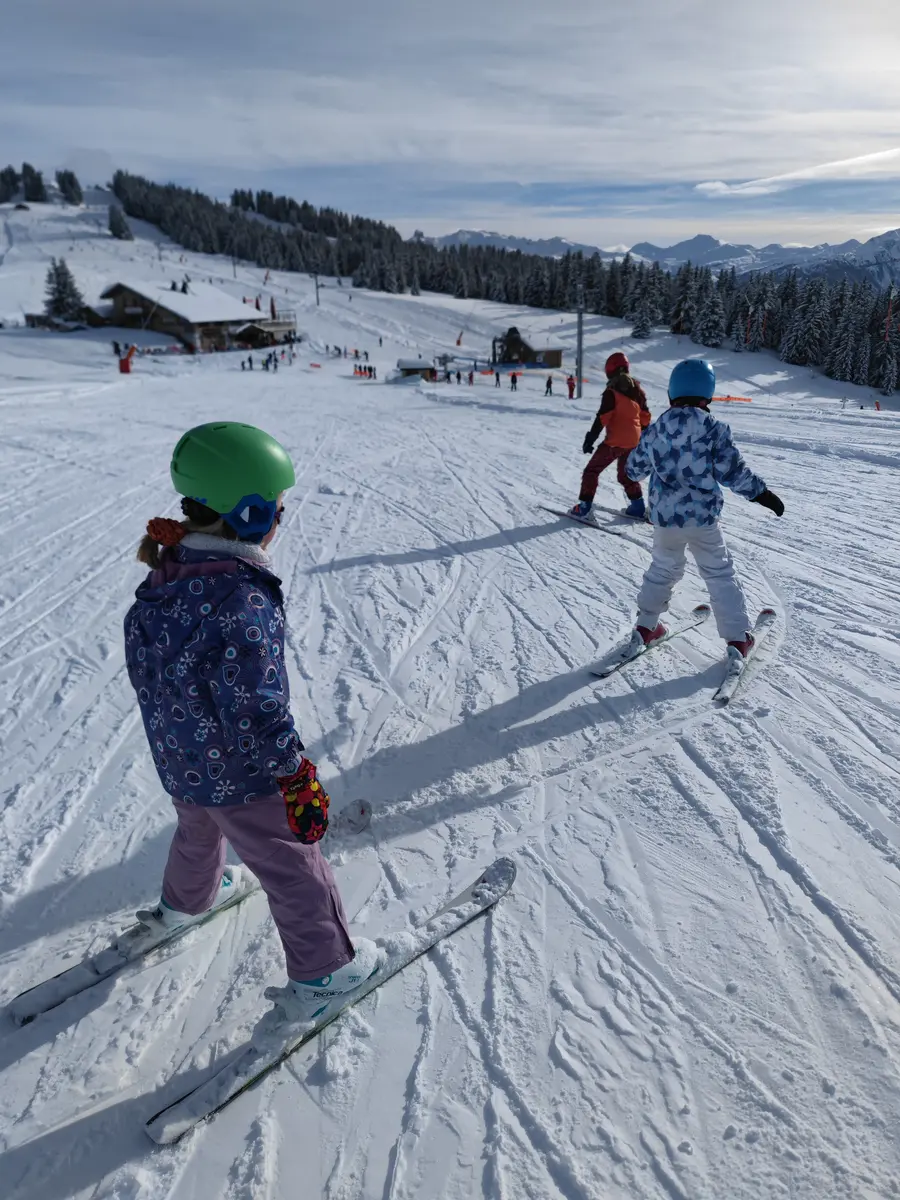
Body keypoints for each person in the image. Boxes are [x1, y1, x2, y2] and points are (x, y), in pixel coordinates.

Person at [124, 423, 380, 1019]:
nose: (279, 519)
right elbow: (257, 707)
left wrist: (180, 740)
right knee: (291, 862)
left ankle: (185, 903)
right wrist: (293, 773)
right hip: (244, 773)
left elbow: (149, 676)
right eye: (278, 510)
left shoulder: (163, 578)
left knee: (197, 828)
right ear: (252, 514)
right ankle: (326, 971)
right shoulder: (241, 598)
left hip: (182, 759)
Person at [625, 359, 784, 656]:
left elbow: (633, 470)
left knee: (662, 569)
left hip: (665, 520)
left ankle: (646, 626)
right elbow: (733, 472)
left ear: (672, 392)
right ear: (707, 394)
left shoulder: (656, 429)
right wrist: (762, 495)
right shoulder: (713, 429)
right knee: (718, 572)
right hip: (702, 519)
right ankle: (737, 638)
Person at [569, 351, 650, 521]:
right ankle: (638, 507)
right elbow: (645, 418)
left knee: (591, 471)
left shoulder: (611, 392)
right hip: (633, 441)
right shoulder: (638, 390)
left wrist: (590, 439)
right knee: (625, 474)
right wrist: (641, 436)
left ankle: (584, 508)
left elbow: (603, 418)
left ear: (610, 370)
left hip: (615, 442)